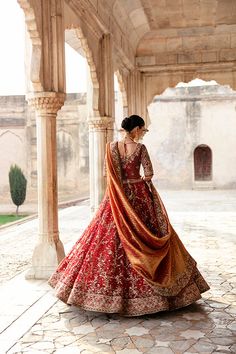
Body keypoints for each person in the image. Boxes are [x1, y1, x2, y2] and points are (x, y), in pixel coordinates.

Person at [49, 114, 209, 316]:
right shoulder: (140, 149)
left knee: (103, 238)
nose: (142, 133)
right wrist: (141, 182)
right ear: (135, 129)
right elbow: (149, 174)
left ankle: (90, 294)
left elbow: (109, 175)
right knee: (145, 237)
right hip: (139, 199)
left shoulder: (111, 148)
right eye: (142, 129)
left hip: (115, 199)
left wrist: (121, 187)